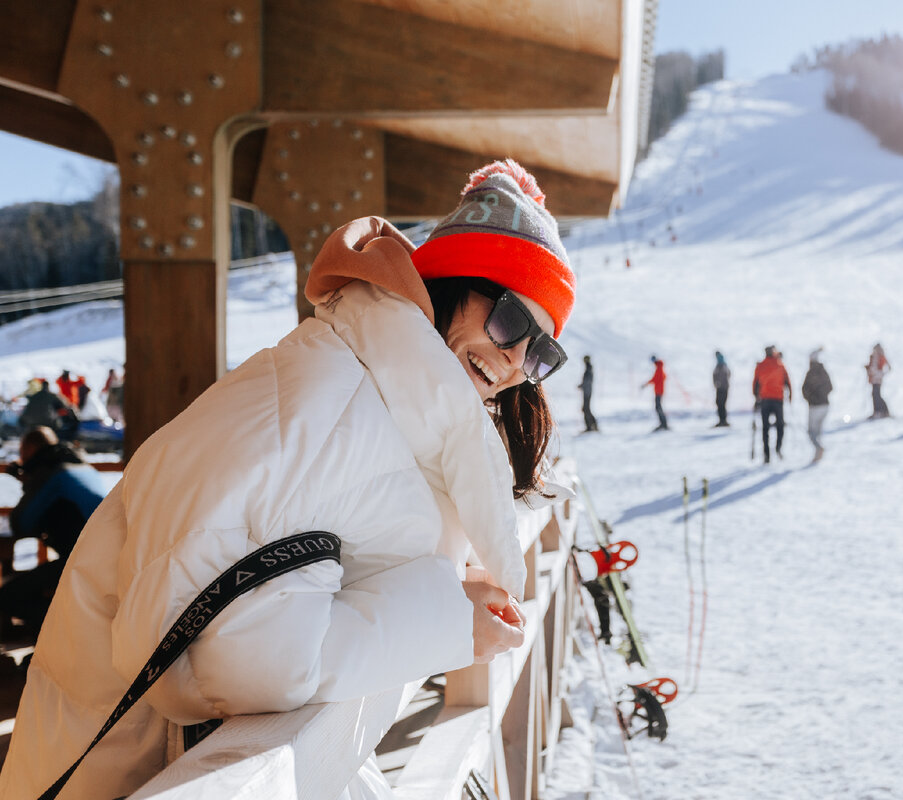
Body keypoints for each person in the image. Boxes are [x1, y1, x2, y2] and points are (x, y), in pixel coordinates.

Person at [0, 159, 575, 800]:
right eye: (509, 322)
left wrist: (438, 587)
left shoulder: (378, 403)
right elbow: (223, 661)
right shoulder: (326, 401)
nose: (517, 361)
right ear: (446, 289)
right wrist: (449, 621)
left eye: (542, 350)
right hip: (123, 775)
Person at [0, 427, 105, 640]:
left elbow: (21, 522)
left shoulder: (49, 473)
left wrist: (30, 485)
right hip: (104, 560)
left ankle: (62, 639)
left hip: (84, 564)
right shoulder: (80, 465)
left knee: (7, 597)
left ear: (30, 448)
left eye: (22, 451)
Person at [753, 346, 791, 463]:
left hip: (765, 400)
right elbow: (787, 382)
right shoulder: (780, 365)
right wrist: (790, 395)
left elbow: (755, 383)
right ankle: (778, 448)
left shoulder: (760, 365)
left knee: (765, 428)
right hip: (778, 400)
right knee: (780, 425)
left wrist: (756, 397)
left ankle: (767, 455)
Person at [801, 348, 833, 462]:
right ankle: (817, 453)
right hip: (825, 405)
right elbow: (830, 387)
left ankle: (818, 448)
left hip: (815, 406)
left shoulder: (810, 373)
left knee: (811, 431)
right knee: (818, 431)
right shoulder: (823, 372)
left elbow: (804, 389)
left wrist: (812, 398)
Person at [865, 343, 891, 419]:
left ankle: (882, 411)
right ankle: (878, 411)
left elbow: (887, 368)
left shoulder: (880, 356)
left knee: (876, 395)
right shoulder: (875, 356)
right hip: (874, 379)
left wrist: (879, 374)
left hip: (877, 379)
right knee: (874, 394)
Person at [645, 356, 668, 431]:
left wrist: (647, 383)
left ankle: (664, 424)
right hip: (658, 390)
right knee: (658, 407)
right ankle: (663, 423)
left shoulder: (659, 368)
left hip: (659, 391)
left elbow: (656, 379)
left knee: (658, 407)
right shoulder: (659, 367)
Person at [579, 355, 599, 432]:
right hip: (587, 391)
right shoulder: (589, 368)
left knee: (586, 409)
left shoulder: (588, 368)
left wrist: (583, 385)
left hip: (587, 392)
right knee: (586, 409)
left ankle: (590, 426)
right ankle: (592, 425)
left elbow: (588, 381)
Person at [713, 351, 731, 427]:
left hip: (722, 388)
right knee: (719, 404)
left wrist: (720, 383)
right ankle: (722, 420)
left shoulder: (721, 366)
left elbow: (725, 375)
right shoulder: (721, 365)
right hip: (721, 387)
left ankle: (723, 420)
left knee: (721, 404)